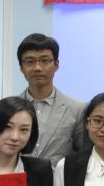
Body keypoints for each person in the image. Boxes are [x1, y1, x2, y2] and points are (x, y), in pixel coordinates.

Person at [15, 33, 86, 165]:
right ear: (21, 67)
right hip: (19, 177)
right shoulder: (9, 109)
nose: (37, 68)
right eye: (30, 61)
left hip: (60, 178)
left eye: (45, 60)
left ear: (56, 64)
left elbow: (83, 156)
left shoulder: (77, 109)